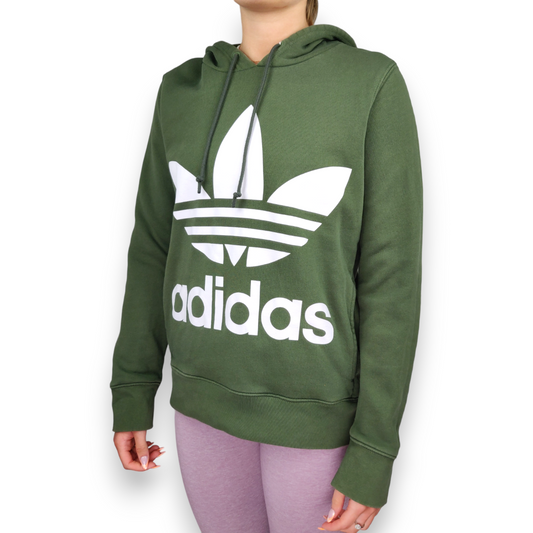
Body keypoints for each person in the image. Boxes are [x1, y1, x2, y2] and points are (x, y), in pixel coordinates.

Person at [110, 0, 423, 531]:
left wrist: (374, 448)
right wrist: (132, 388)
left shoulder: (370, 83)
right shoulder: (181, 90)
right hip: (201, 404)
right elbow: (152, 247)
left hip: (315, 415)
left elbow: (391, 277)